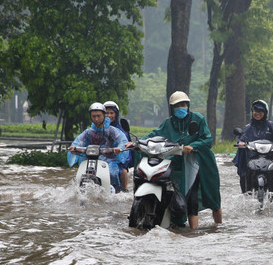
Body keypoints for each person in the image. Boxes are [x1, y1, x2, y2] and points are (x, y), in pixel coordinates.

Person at [128, 91, 222, 229]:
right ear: (171, 108)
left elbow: (207, 139)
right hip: (177, 161)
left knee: (207, 198)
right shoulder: (168, 123)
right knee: (178, 193)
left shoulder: (198, 119)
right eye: (177, 105)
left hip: (199, 162)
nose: (181, 107)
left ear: (188, 105)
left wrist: (192, 146)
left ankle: (217, 228)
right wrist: (137, 143)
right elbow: (154, 134)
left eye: (183, 104)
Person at [68, 102, 129, 192]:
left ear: (104, 116)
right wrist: (73, 148)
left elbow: (122, 141)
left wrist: (118, 149)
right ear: (90, 117)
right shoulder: (88, 132)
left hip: (109, 161)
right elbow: (78, 142)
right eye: (93, 116)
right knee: (79, 175)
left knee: (112, 174)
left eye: (99, 116)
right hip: (91, 160)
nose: (96, 119)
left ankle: (116, 191)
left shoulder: (112, 131)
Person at [233, 99, 273, 194]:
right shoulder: (248, 127)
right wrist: (241, 143)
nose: (257, 113)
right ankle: (245, 193)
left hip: (269, 157)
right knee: (243, 175)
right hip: (252, 157)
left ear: (265, 112)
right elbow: (241, 138)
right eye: (255, 111)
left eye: (260, 111)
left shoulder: (270, 125)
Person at [103, 100, 133, 191]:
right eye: (106, 113)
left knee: (122, 171)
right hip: (100, 157)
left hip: (117, 159)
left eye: (111, 113)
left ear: (116, 114)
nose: (109, 115)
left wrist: (119, 152)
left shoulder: (122, 130)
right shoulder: (97, 128)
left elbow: (126, 146)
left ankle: (124, 189)